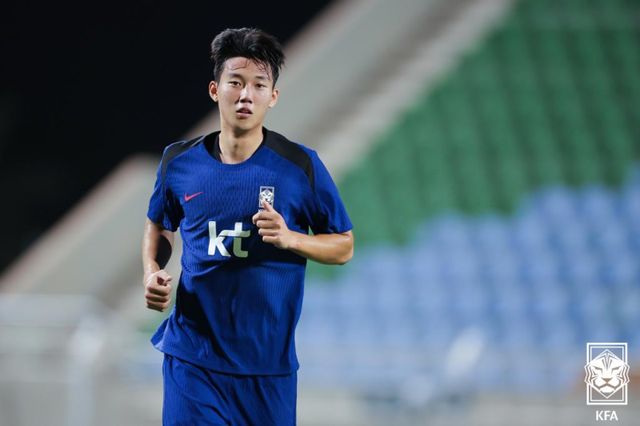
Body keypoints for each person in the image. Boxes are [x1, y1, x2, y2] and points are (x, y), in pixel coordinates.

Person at [141, 27, 354, 425]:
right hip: (193, 359)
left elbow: (344, 246)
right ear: (214, 89)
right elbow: (159, 224)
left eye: (259, 85)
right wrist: (152, 271)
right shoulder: (179, 162)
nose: (246, 95)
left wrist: (291, 238)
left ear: (273, 96)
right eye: (235, 82)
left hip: (267, 371)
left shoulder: (299, 166)